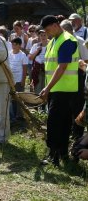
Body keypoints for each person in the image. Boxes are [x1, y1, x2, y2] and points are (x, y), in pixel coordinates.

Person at [39, 15, 79, 166]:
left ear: (56, 25)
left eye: (48, 30)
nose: (47, 33)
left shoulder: (67, 40)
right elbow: (50, 67)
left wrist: (47, 88)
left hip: (64, 90)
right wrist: (48, 88)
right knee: (61, 123)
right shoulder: (53, 41)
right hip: (56, 89)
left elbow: (62, 67)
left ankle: (53, 155)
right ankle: (61, 153)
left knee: (55, 123)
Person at [60, 19, 88, 140]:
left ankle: (78, 134)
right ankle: (70, 131)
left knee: (77, 107)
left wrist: (80, 65)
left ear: (66, 30)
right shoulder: (62, 41)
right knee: (67, 108)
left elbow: (86, 60)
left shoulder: (79, 41)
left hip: (78, 79)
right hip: (65, 80)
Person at [9, 37, 28, 122]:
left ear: (19, 45)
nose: (13, 45)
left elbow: (24, 69)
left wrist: (23, 80)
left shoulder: (23, 55)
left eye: (15, 44)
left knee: (19, 98)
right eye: (12, 44)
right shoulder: (9, 54)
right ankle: (12, 115)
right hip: (10, 80)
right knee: (11, 98)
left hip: (19, 80)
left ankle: (20, 115)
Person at [28, 27, 49, 95]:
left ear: (47, 35)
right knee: (38, 89)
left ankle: (45, 104)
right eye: (41, 35)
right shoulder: (35, 45)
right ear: (39, 36)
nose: (43, 37)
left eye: (44, 35)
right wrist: (37, 51)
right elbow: (30, 58)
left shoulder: (51, 45)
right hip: (37, 70)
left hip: (48, 70)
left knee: (46, 89)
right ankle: (38, 104)